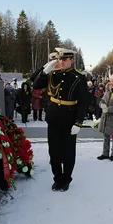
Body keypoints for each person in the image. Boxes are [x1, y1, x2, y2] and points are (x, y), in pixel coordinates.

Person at [31, 48, 88, 192]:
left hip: (69, 118)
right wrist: (44, 70)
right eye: (59, 59)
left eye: (64, 59)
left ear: (72, 60)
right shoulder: (52, 74)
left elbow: (82, 102)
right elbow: (36, 84)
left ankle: (66, 179)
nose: (61, 62)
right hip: (54, 117)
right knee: (54, 152)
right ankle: (57, 179)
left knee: (68, 152)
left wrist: (78, 122)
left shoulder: (79, 77)